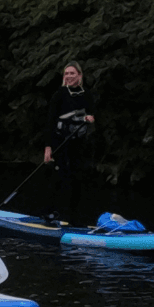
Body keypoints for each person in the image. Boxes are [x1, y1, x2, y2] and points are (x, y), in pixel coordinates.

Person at [43, 60, 96, 224]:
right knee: (58, 176)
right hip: (60, 142)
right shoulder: (59, 94)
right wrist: (48, 147)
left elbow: (93, 115)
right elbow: (50, 121)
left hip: (77, 144)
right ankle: (50, 213)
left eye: (72, 73)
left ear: (79, 76)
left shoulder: (86, 95)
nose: (69, 76)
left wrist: (90, 118)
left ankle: (74, 218)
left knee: (77, 178)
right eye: (66, 73)